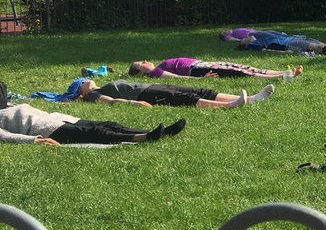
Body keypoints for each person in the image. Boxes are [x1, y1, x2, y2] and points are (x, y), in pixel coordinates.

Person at [0, 81, 185, 146]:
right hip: (46, 130)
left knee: (108, 125)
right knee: (97, 133)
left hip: (58, 119)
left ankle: (155, 132)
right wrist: (34, 140)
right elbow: (3, 136)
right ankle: (144, 137)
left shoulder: (8, 105)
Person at [75, 78, 274, 109]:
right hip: (145, 95)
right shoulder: (93, 94)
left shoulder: (101, 84)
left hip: (151, 85)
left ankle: (251, 99)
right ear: (80, 90)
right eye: (81, 83)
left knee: (199, 90)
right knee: (185, 99)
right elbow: (110, 101)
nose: (86, 81)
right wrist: (134, 104)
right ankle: (230, 105)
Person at [129, 58, 302, 81]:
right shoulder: (155, 72)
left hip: (202, 64)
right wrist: (201, 79)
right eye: (141, 63)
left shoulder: (156, 66)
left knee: (243, 67)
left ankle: (283, 73)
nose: (145, 61)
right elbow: (175, 77)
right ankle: (280, 77)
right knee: (239, 73)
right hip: (196, 70)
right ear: (141, 72)